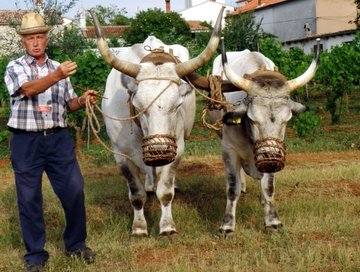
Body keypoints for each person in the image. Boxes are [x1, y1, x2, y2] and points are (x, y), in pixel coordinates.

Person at [4, 12, 97, 272]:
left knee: (75, 190)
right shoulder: (15, 67)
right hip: (26, 141)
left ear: (46, 39)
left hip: (58, 139)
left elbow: (70, 104)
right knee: (29, 198)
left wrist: (84, 100)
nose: (35, 42)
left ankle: (76, 245)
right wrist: (57, 75)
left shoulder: (59, 68)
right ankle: (35, 256)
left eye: (39, 37)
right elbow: (28, 90)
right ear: (23, 41)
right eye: (30, 38)